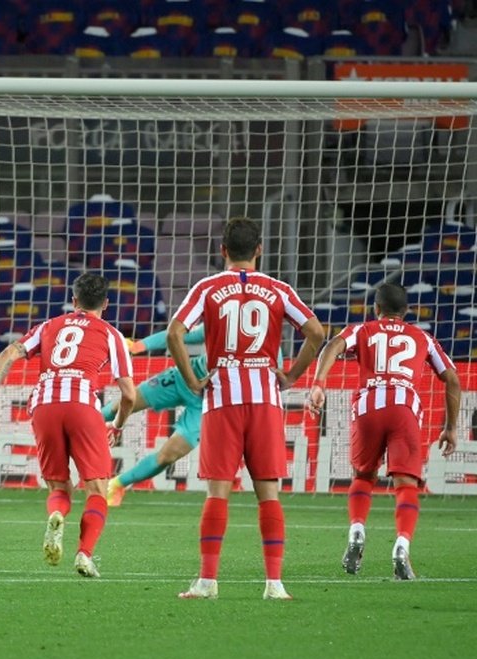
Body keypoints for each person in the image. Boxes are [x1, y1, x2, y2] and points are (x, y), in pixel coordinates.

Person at [167, 216, 324, 601]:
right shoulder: (278, 289)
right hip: (265, 399)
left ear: (222, 251)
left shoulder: (207, 287)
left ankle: (207, 582)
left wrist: (191, 379)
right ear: (259, 250)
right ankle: (275, 583)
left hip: (222, 397)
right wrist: (291, 376)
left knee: (218, 492)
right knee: (268, 493)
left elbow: (175, 332)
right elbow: (317, 332)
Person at [0, 272, 137, 578]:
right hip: (83, 406)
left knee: (59, 486)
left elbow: (10, 352)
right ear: (106, 304)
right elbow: (129, 393)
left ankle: (58, 513)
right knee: (97, 488)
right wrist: (117, 424)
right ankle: (85, 554)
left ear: (73, 301)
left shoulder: (49, 326)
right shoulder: (111, 334)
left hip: (44, 405)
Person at [306, 282, 460, 580]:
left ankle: (356, 532)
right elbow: (452, 379)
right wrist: (451, 428)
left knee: (363, 476)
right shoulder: (422, 337)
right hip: (405, 408)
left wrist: (318, 383)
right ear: (406, 311)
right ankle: (401, 545)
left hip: (368, 407)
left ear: (375, 309)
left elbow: (333, 345)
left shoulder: (362, 329)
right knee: (406, 484)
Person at [104, 326, 207, 506]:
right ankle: (67, 431)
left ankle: (118, 484)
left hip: (207, 402)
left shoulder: (270, 350)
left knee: (169, 455)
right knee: (123, 404)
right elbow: (174, 334)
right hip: (184, 377)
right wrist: (138, 347)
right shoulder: (224, 322)